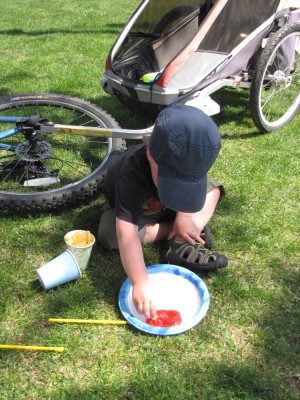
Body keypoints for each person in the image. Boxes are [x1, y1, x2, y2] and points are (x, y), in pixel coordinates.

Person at [98, 105, 228, 319]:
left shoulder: (187, 160)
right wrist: (139, 281)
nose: (181, 187)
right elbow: (127, 234)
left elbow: (207, 190)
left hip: (169, 209)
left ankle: (184, 230)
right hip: (139, 214)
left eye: (187, 183)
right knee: (111, 236)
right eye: (174, 182)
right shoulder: (131, 175)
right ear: (150, 152)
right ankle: (176, 235)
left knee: (212, 192)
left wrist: (184, 216)